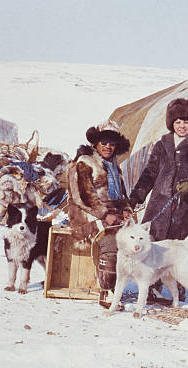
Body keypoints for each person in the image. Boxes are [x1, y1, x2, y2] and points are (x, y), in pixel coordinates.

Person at [128, 98, 188, 301]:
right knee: (155, 246)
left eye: (186, 121)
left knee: (181, 248)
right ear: (171, 124)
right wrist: (136, 197)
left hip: (186, 209)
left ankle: (180, 289)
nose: (182, 126)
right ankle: (153, 288)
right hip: (160, 206)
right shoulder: (161, 146)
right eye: (178, 122)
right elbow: (150, 174)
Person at [67, 119, 132, 307]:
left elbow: (122, 194)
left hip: (110, 216)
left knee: (136, 239)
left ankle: (125, 285)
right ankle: (106, 292)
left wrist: (126, 210)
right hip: (85, 215)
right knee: (111, 242)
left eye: (112, 143)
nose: (108, 147)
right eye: (105, 142)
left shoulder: (112, 165)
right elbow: (82, 197)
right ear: (96, 143)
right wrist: (104, 214)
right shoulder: (84, 162)